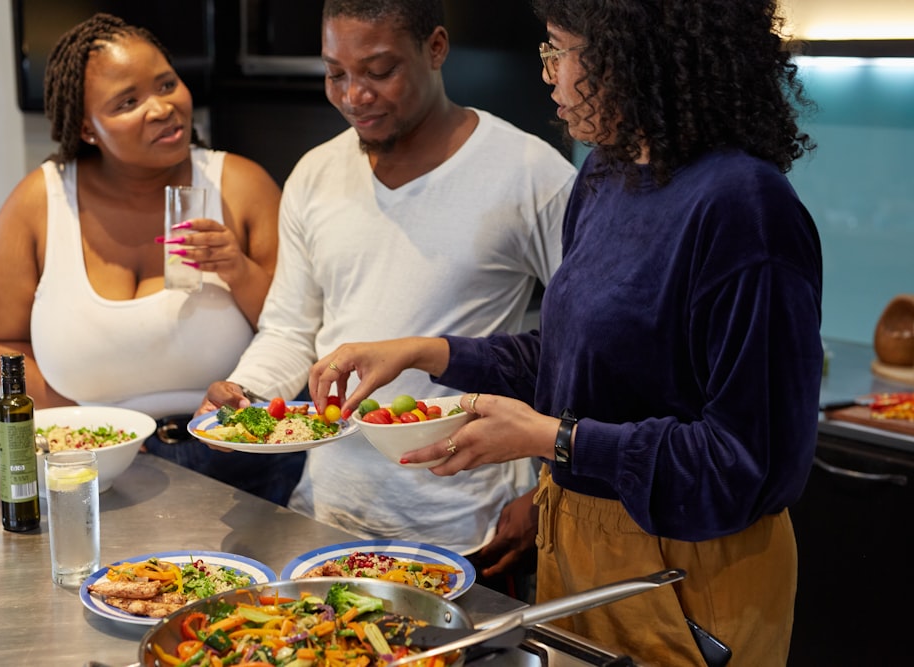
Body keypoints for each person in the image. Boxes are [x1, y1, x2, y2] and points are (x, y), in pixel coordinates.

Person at [308, 0, 822, 664]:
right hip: (578, 549)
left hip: (688, 571)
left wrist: (552, 438)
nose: (548, 73)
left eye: (558, 50)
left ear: (632, 54)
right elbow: (573, 358)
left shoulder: (744, 207)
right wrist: (424, 352)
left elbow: (747, 465)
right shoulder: (606, 176)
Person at [200, 0, 576, 570]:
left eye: (379, 72)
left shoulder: (531, 173)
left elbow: (582, 346)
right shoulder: (315, 174)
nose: (354, 95)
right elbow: (290, 328)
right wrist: (245, 393)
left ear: (436, 48)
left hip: (468, 529)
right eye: (336, 73)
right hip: (326, 515)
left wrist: (546, 492)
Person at [0, 13, 302, 504]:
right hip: (96, 468)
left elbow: (294, 330)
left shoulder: (242, 186)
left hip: (241, 457)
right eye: (129, 101)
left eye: (167, 84)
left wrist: (237, 269)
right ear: (86, 127)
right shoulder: (42, 201)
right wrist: (89, 429)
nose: (162, 108)